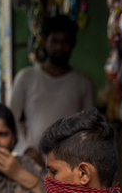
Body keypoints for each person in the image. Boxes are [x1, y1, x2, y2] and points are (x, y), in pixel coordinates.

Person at [9, 15, 96, 161]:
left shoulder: (83, 83)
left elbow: (89, 127)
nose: (59, 47)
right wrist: (25, 149)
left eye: (65, 42)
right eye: (54, 41)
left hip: (69, 165)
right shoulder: (26, 77)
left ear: (74, 43)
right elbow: (11, 119)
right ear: (44, 42)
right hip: (32, 163)